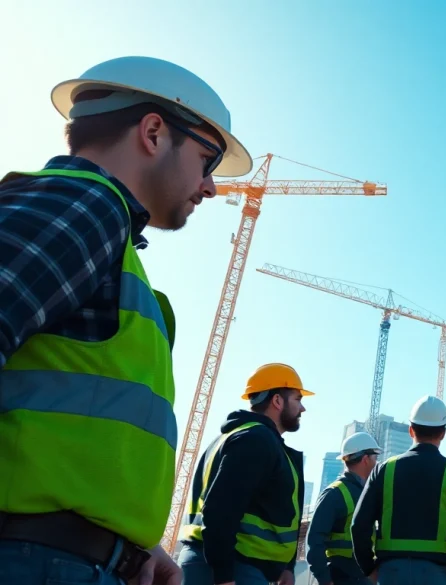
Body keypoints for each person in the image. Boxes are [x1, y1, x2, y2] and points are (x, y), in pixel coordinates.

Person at [0, 56, 251, 585]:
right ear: (154, 133)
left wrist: (127, 547)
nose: (210, 187)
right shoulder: (82, 204)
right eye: (206, 161)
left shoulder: (98, 225)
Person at [178, 363, 311, 585]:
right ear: (277, 401)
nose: (302, 408)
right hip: (234, 567)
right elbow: (220, 509)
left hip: (225, 564)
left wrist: (285, 568)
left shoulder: (238, 438)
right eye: (297, 399)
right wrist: (224, 576)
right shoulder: (255, 440)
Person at [351, 395, 446, 584]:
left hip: (391, 573)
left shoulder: (384, 470)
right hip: (436, 575)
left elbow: (359, 525)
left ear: (410, 430)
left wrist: (368, 568)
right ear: (443, 433)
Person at [306, 432, 383, 585]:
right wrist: (324, 579)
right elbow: (314, 539)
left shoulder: (367, 493)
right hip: (341, 577)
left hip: (362, 577)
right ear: (366, 459)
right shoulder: (335, 493)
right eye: (375, 458)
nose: (377, 463)